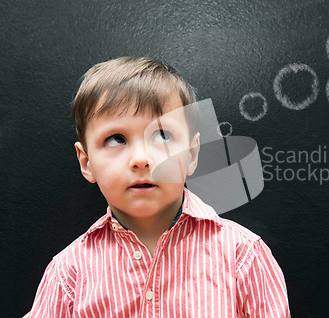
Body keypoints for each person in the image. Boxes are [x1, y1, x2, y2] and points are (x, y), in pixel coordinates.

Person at [25, 56, 290, 317]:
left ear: (192, 155)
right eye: (116, 139)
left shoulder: (242, 256)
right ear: (86, 162)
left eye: (162, 135)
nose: (141, 159)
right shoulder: (68, 273)